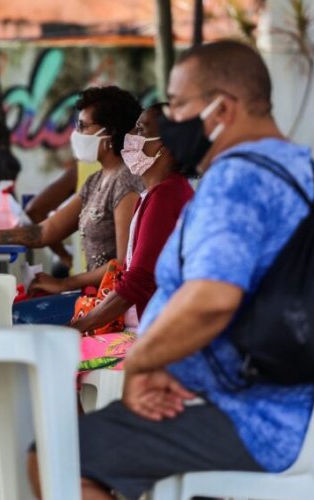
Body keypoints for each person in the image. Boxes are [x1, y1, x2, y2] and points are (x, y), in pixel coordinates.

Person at [28, 40, 314, 500]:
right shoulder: (306, 173)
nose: (169, 119)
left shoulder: (236, 182)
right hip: (289, 408)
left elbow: (211, 302)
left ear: (221, 109)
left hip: (240, 415)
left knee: (54, 455)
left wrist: (145, 363)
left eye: (177, 104)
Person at [0, 86, 143, 324]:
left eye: (82, 126)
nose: (76, 133)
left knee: (15, 318)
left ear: (109, 132)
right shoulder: (96, 180)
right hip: (90, 297)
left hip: (110, 305)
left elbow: (123, 265)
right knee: (6, 311)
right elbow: (43, 232)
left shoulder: (126, 182)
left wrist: (63, 283)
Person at [46, 103, 195, 373]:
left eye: (142, 129)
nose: (131, 137)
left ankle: (77, 418)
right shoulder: (159, 193)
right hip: (149, 327)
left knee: (54, 355)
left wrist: (78, 327)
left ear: (167, 145)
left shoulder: (166, 196)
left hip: (152, 335)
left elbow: (138, 283)